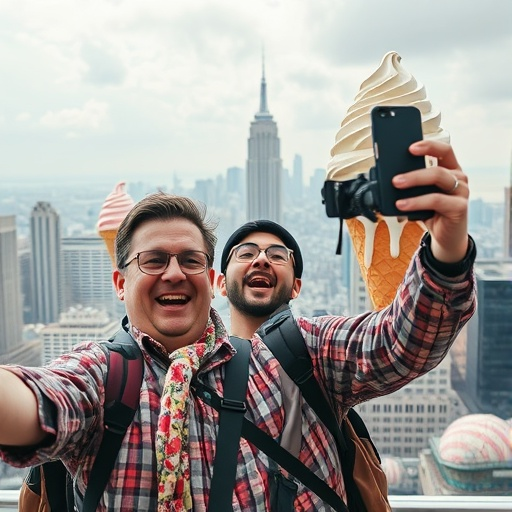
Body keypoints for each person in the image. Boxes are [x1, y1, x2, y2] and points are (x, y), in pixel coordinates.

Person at [0, 140, 476, 512]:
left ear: (211, 281)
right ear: (120, 282)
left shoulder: (293, 360)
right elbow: (38, 401)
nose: (173, 272)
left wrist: (448, 247)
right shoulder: (104, 379)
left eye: (190, 259)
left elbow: (399, 342)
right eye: (153, 260)